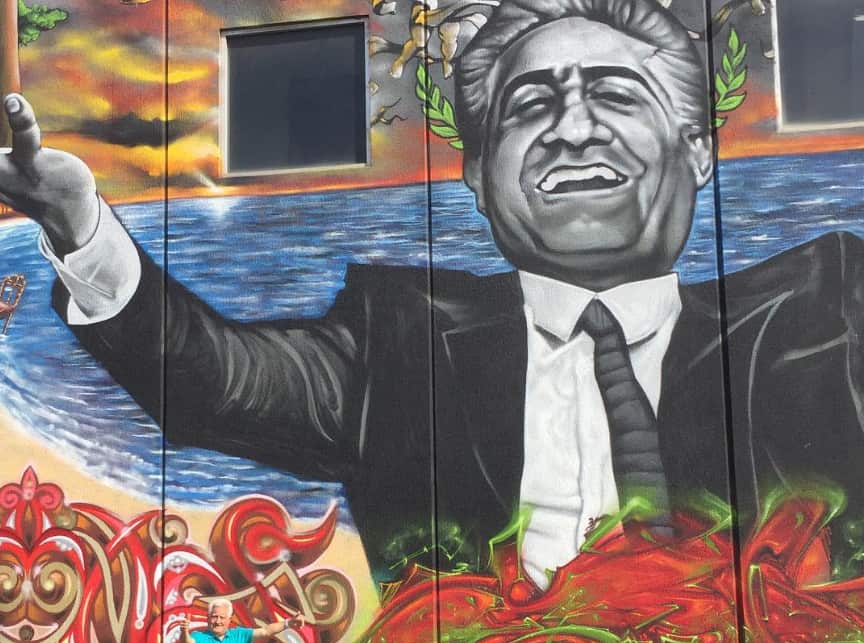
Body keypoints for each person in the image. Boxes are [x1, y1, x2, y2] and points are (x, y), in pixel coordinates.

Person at [1, 0, 864, 588]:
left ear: (699, 152)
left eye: (613, 94)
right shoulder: (397, 347)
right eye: (531, 105)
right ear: (478, 178)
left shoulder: (831, 317)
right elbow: (209, 382)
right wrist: (81, 222)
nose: (571, 128)